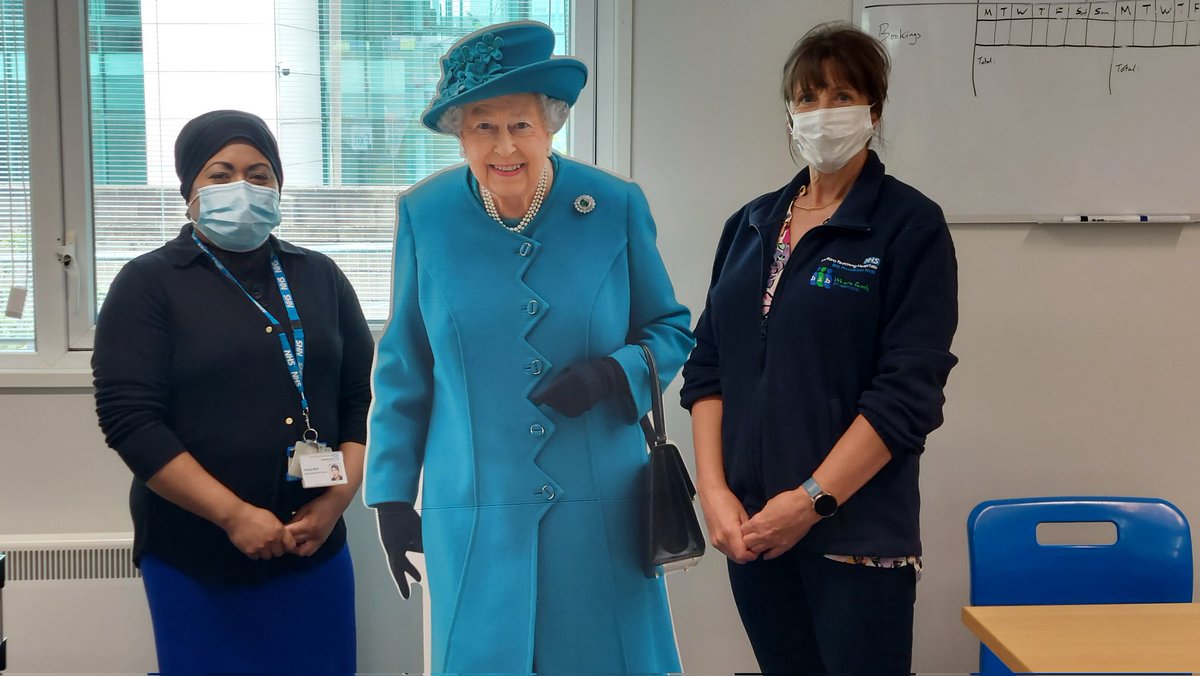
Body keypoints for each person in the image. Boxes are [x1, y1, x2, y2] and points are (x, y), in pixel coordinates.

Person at [364, 21, 693, 675]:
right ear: (460, 133)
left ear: (552, 123)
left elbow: (671, 330)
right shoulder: (423, 216)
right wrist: (392, 496)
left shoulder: (613, 206)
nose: (504, 145)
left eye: (520, 123)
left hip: (601, 512)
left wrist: (613, 373)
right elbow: (405, 366)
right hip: (478, 513)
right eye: (483, 125)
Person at [680, 22, 959, 674]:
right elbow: (707, 367)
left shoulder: (907, 226)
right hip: (755, 534)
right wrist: (714, 495)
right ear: (789, 111)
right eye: (807, 98)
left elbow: (907, 394)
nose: (822, 113)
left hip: (856, 537)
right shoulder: (750, 226)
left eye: (841, 95)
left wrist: (810, 502)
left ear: (874, 109)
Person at [92, 110, 373, 674]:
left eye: (259, 173)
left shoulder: (320, 276)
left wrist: (334, 502)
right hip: (196, 554)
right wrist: (233, 515)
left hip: (313, 546)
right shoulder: (149, 283)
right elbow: (130, 422)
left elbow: (357, 400)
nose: (241, 187)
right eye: (220, 175)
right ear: (190, 190)